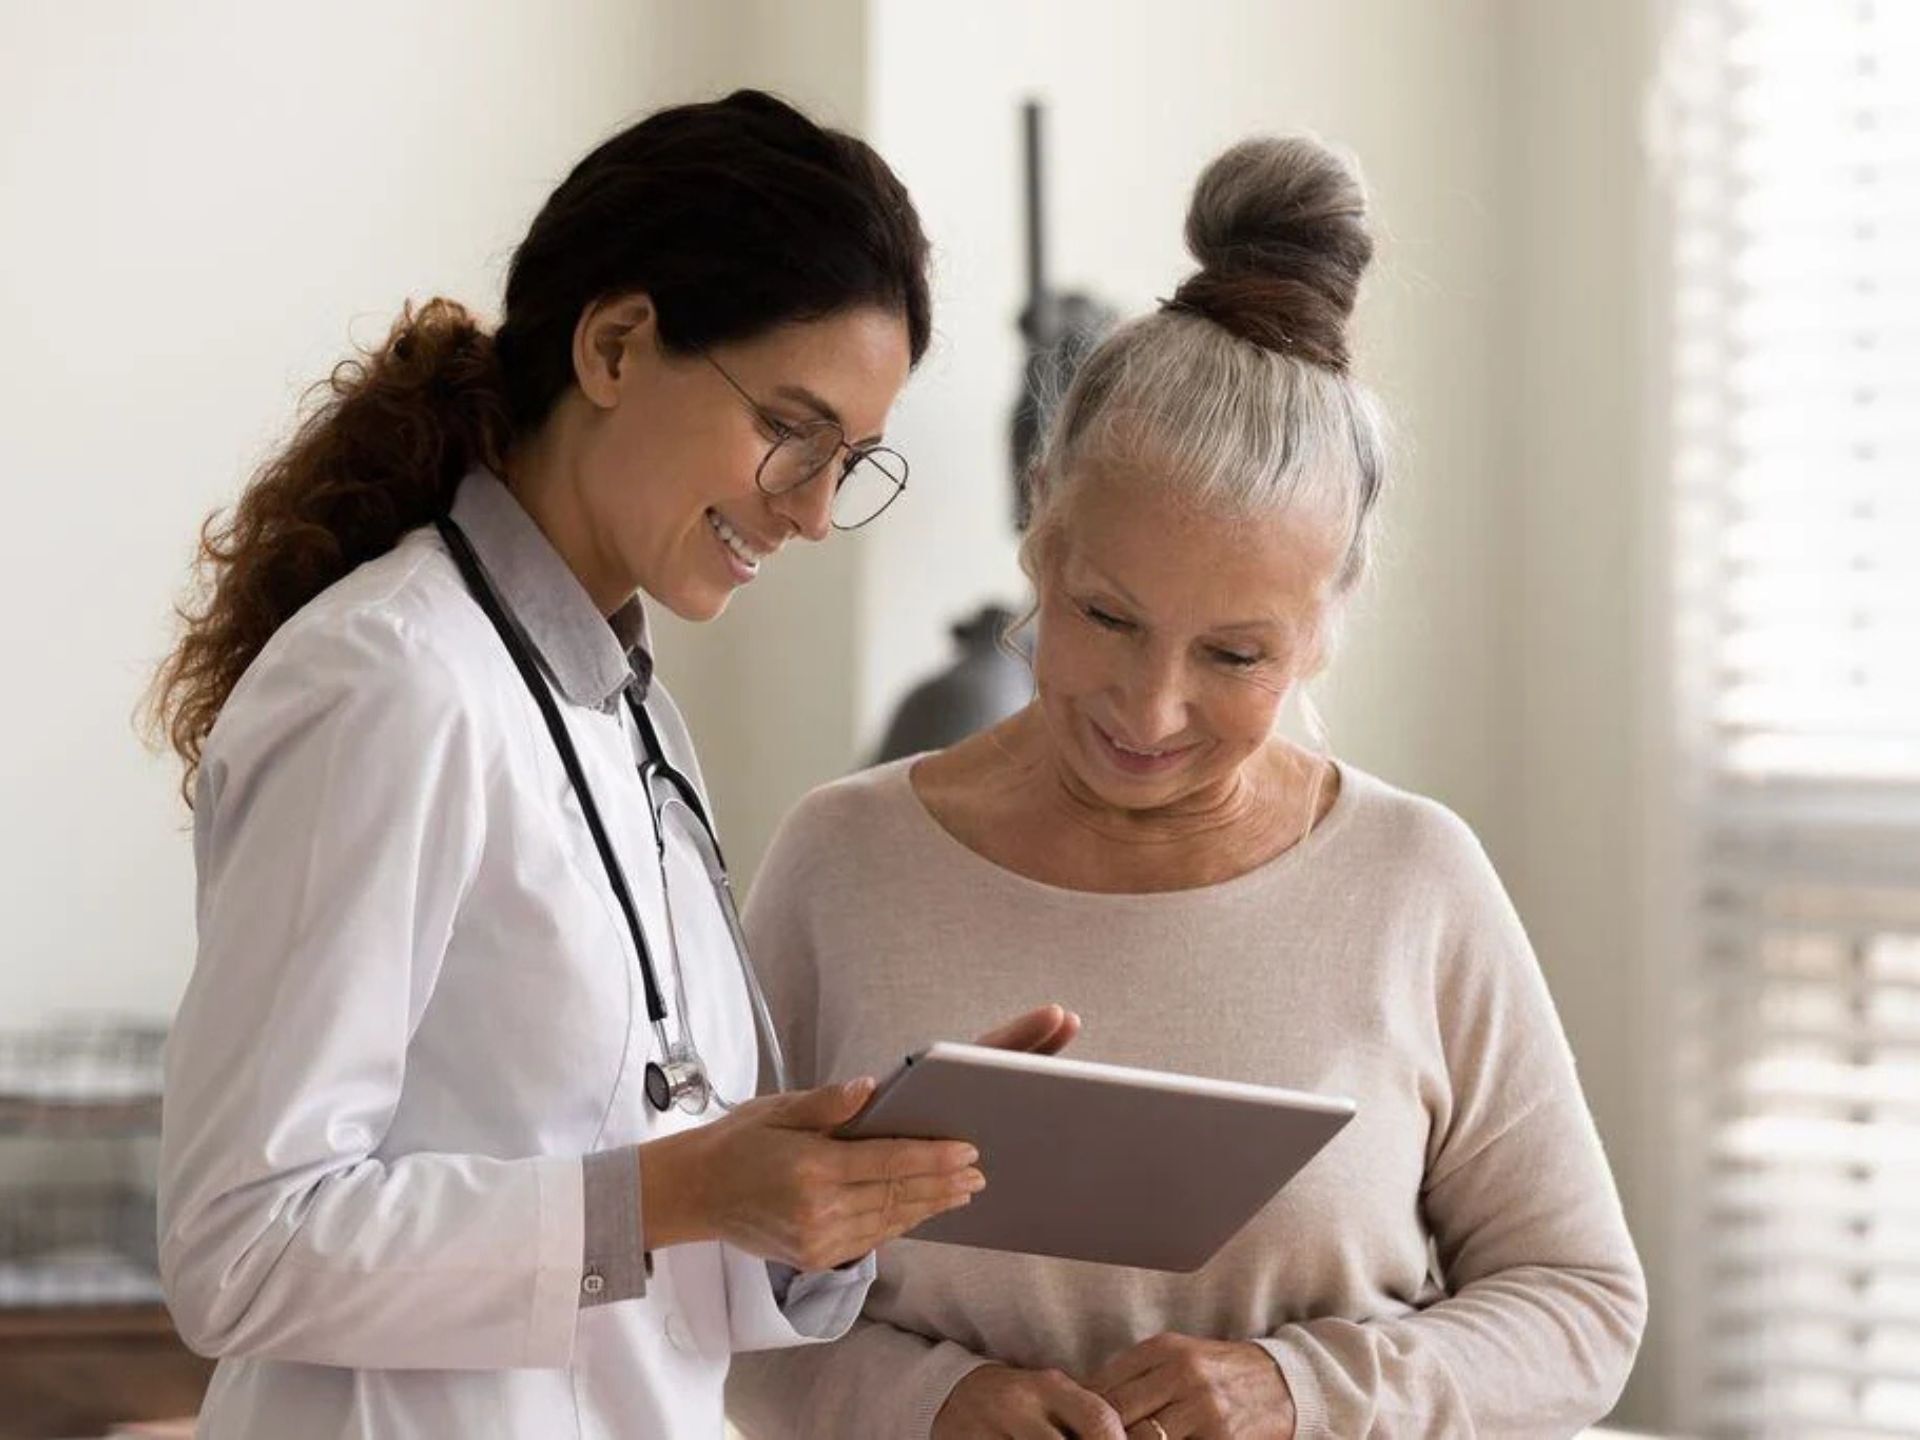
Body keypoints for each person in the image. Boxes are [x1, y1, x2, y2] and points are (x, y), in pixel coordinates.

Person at [148, 89, 1059, 1438]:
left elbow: (646, 1260)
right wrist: (681, 1192)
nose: (812, 512)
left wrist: (828, 1191)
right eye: (792, 433)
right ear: (618, 345)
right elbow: (241, 1250)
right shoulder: (390, 684)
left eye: (850, 464)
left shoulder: (627, 714)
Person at [726, 136, 1648, 1438]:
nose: (1148, 709)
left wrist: (1303, 1392)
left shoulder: (1412, 880)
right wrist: (933, 1403)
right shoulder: (846, 859)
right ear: (1040, 528)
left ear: (1326, 626)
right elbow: (716, 1297)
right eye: (1105, 616)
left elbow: (1580, 1303)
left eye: (1234, 655)